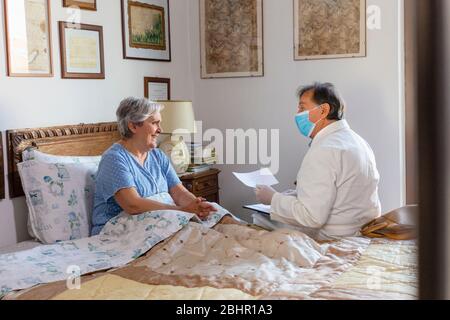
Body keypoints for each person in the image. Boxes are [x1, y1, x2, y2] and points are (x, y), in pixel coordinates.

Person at [255, 83, 381, 240]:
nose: (297, 114)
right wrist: (297, 193)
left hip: (334, 236)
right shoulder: (357, 141)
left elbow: (311, 217)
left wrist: (273, 198)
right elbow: (343, 191)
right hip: (360, 230)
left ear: (323, 110)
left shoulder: (325, 149)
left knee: (259, 219)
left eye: (302, 108)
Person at [91, 97, 217, 235]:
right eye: (154, 123)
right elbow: (133, 205)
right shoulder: (114, 159)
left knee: (217, 215)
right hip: (121, 230)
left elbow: (179, 192)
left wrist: (197, 206)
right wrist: (182, 211)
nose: (160, 130)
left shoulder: (158, 156)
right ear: (133, 126)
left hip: (158, 222)